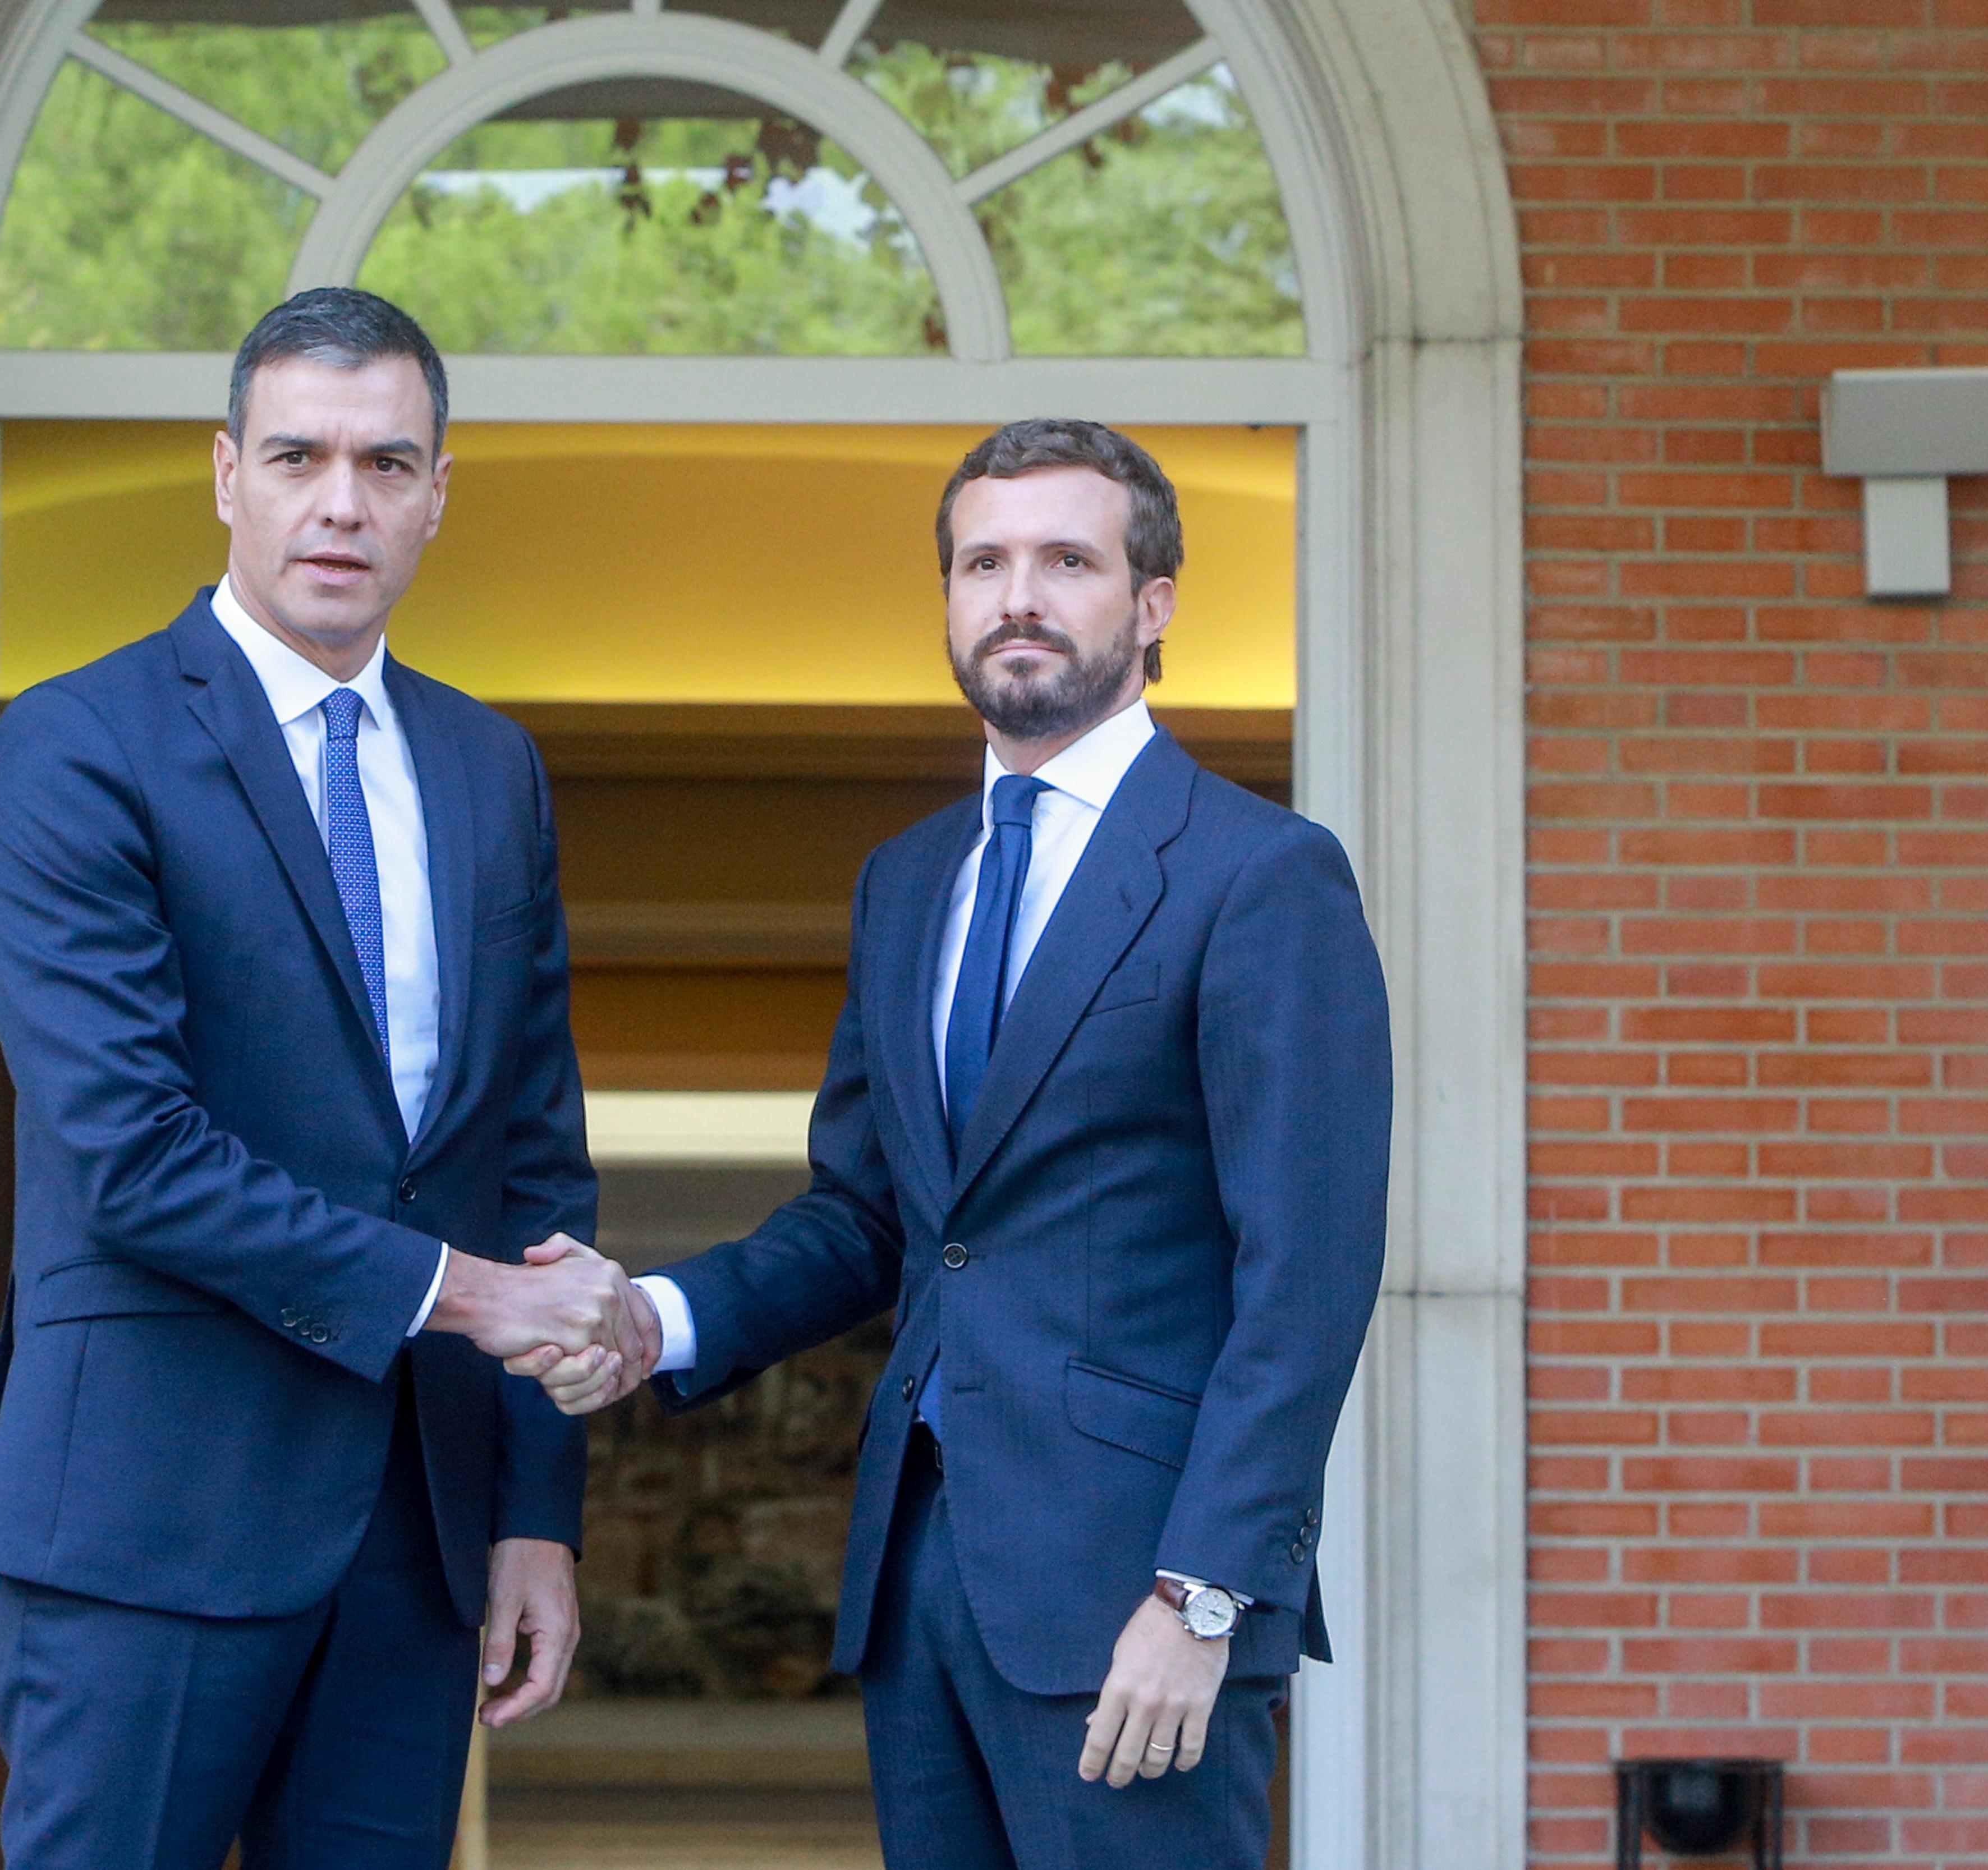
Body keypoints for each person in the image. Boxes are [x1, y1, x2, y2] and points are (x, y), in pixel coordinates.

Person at [525, 419, 1390, 1870]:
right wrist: (656, 1317)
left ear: (1156, 601)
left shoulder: (1261, 876)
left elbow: (1305, 1274)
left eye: (1068, 558)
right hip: (919, 1584)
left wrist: (1208, 1596)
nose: (1020, 596)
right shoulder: (910, 883)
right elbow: (871, 1217)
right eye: (983, 562)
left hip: (1139, 1598)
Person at [0, 287, 653, 1870]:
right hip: (150, 1507)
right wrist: (474, 1299)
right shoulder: (77, 743)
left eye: (387, 463)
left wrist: (536, 1511)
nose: (342, 502)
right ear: (226, 475)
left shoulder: (490, 768)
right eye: (299, 456)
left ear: (436, 494)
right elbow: (131, 1151)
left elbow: (532, 1159)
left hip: (415, 1534)